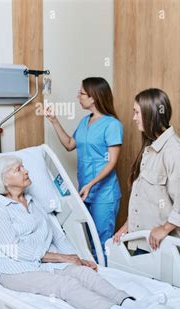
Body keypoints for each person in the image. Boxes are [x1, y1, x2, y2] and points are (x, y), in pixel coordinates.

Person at [0, 156, 143, 309]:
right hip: (16, 269)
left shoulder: (34, 203)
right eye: (19, 169)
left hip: (46, 263)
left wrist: (77, 259)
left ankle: (128, 303)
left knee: (85, 273)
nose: (26, 171)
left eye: (23, 166)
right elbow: (14, 249)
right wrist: (62, 258)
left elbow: (57, 237)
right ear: (4, 181)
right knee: (65, 285)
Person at [113, 88, 180, 262]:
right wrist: (127, 226)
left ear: (150, 114)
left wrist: (165, 228)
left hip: (164, 247)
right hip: (143, 243)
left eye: (137, 112)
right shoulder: (150, 149)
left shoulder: (174, 151)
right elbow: (145, 198)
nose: (134, 118)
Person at [45, 77, 123, 262]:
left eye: (81, 93)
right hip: (85, 192)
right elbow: (69, 144)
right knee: (88, 242)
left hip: (104, 194)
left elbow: (112, 162)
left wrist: (91, 184)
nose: (77, 96)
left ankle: (108, 281)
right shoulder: (84, 122)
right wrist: (54, 121)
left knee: (103, 243)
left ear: (93, 98)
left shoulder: (112, 125)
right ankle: (94, 279)